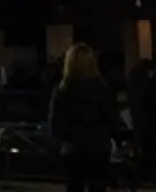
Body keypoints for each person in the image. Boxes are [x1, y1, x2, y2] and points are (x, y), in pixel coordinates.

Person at [48, 43, 121, 192]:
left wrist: (69, 137)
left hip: (73, 149)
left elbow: (55, 124)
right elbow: (112, 119)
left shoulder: (62, 90)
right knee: (98, 186)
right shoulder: (102, 88)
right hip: (99, 147)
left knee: (74, 186)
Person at [126, 59, 156, 184]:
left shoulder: (133, 82)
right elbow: (154, 101)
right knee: (151, 150)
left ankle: (142, 173)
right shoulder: (147, 84)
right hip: (149, 121)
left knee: (143, 148)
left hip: (138, 120)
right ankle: (150, 174)